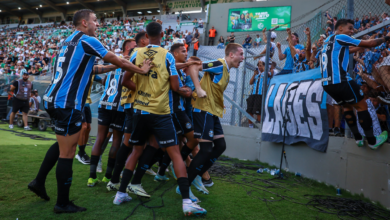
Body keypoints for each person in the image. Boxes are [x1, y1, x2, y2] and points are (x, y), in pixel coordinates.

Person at [27, 9, 152, 213]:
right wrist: (141, 70)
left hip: (52, 99)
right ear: (84, 23)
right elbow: (117, 60)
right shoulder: (88, 40)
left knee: (61, 145)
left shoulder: (67, 41)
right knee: (67, 152)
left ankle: (39, 181)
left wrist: (114, 67)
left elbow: (92, 69)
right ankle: (62, 203)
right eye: (95, 20)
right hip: (67, 103)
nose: (98, 24)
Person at [113, 21, 207, 216]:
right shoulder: (167, 56)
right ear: (163, 34)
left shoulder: (136, 53)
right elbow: (174, 86)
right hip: (161, 113)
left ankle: (121, 193)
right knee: (174, 153)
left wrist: (142, 92)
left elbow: (125, 81)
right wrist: (185, 90)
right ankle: (187, 201)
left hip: (140, 111)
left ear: (146, 36)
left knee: (136, 151)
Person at [182, 43, 244, 192]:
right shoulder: (219, 64)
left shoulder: (227, 71)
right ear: (231, 54)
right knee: (205, 150)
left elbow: (214, 89)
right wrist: (198, 88)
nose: (243, 58)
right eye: (241, 54)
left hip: (213, 112)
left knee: (221, 146)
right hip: (203, 110)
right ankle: (185, 186)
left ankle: (195, 173)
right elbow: (194, 67)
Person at [320, 18, 390, 150]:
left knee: (347, 107)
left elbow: (350, 50)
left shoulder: (328, 41)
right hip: (341, 80)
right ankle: (372, 140)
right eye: (350, 28)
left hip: (327, 84)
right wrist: (386, 38)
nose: (353, 31)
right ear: (340, 28)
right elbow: (371, 44)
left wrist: (364, 46)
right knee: (362, 105)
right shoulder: (340, 37)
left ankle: (358, 138)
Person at [246, 59, 273, 128]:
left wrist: (263, 66)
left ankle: (260, 127)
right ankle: (250, 126)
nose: (259, 67)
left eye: (260, 66)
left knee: (258, 112)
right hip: (253, 94)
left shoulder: (267, 73)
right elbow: (250, 82)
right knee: (249, 110)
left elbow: (269, 73)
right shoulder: (257, 75)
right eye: (258, 66)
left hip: (260, 95)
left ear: (264, 66)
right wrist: (254, 74)